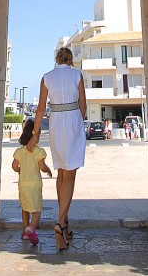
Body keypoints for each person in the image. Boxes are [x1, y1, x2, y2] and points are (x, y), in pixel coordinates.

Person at [31, 46, 86, 251]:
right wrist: (78, 125)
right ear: (70, 59)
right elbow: (83, 105)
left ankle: (65, 221)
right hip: (72, 121)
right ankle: (60, 223)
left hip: (55, 123)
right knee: (70, 175)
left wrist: (34, 135)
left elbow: (40, 109)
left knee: (61, 173)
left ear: (56, 59)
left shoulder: (46, 77)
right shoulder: (77, 75)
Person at [12, 118, 52, 244]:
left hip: (23, 185)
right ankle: (32, 228)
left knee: (25, 209)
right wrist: (48, 170)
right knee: (36, 210)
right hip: (35, 186)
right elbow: (42, 167)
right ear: (37, 135)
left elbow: (14, 166)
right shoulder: (39, 151)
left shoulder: (19, 151)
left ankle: (25, 231)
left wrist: (20, 170)